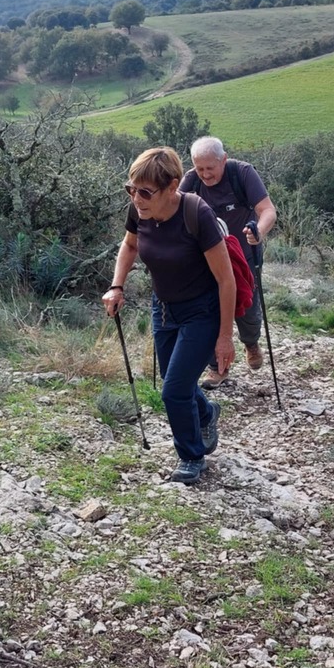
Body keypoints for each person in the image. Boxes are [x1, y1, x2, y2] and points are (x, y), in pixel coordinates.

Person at [102, 147, 235, 485]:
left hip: (202, 312)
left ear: (172, 186)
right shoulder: (140, 210)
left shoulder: (196, 213)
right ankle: (206, 412)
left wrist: (224, 337)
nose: (136, 198)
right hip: (163, 308)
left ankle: (191, 457)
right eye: (131, 190)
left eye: (145, 192)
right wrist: (117, 286)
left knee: (174, 391)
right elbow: (130, 245)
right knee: (175, 382)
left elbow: (226, 279)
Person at [180, 136, 277, 389]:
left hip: (244, 256)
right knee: (209, 311)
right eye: (199, 168)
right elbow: (173, 208)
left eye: (210, 168)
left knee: (248, 309)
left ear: (223, 159)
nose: (205, 175)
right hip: (208, 259)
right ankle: (218, 368)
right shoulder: (191, 180)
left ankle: (251, 342)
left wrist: (259, 232)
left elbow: (267, 210)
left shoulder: (242, 173)